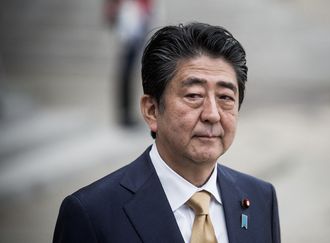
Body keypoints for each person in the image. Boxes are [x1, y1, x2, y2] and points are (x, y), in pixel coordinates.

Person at [53, 22, 281, 243]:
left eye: (225, 98)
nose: (212, 114)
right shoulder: (92, 213)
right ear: (152, 110)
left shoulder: (260, 199)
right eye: (194, 95)